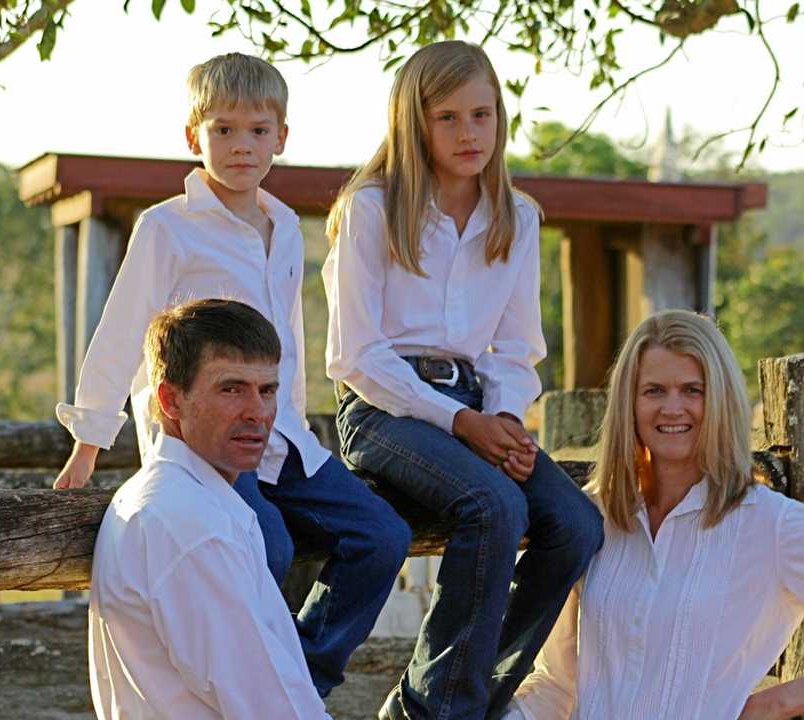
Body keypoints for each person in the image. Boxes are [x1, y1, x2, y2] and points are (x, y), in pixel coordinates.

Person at [54, 52, 410, 697]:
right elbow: (120, 330)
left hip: (279, 436)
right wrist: (88, 443)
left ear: (281, 138)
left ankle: (301, 675)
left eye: (256, 130)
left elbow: (291, 345)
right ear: (194, 137)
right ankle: (267, 683)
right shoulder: (167, 227)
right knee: (268, 545)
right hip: (201, 443)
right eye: (222, 130)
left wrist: (296, 427)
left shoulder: (285, 228)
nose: (240, 145)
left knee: (382, 534)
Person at [322, 40, 604, 720]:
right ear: (413, 123)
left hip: (479, 405)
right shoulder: (371, 209)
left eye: (482, 114)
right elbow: (356, 354)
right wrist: (460, 423)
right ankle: (440, 713)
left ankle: (461, 699)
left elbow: (515, 347)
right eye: (447, 117)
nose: (469, 132)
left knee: (576, 524)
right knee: (494, 505)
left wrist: (504, 418)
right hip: (382, 408)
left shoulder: (517, 215)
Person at [505, 310, 804, 720]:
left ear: (720, 400)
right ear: (628, 403)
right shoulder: (592, 515)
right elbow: (558, 684)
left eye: (692, 390)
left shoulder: (770, 524)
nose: (672, 408)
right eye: (653, 390)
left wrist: (770, 705)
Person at [89, 299, 328, 718]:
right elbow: (269, 706)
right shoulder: (189, 523)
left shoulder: (174, 500)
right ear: (171, 400)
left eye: (267, 390)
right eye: (231, 388)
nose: (257, 412)